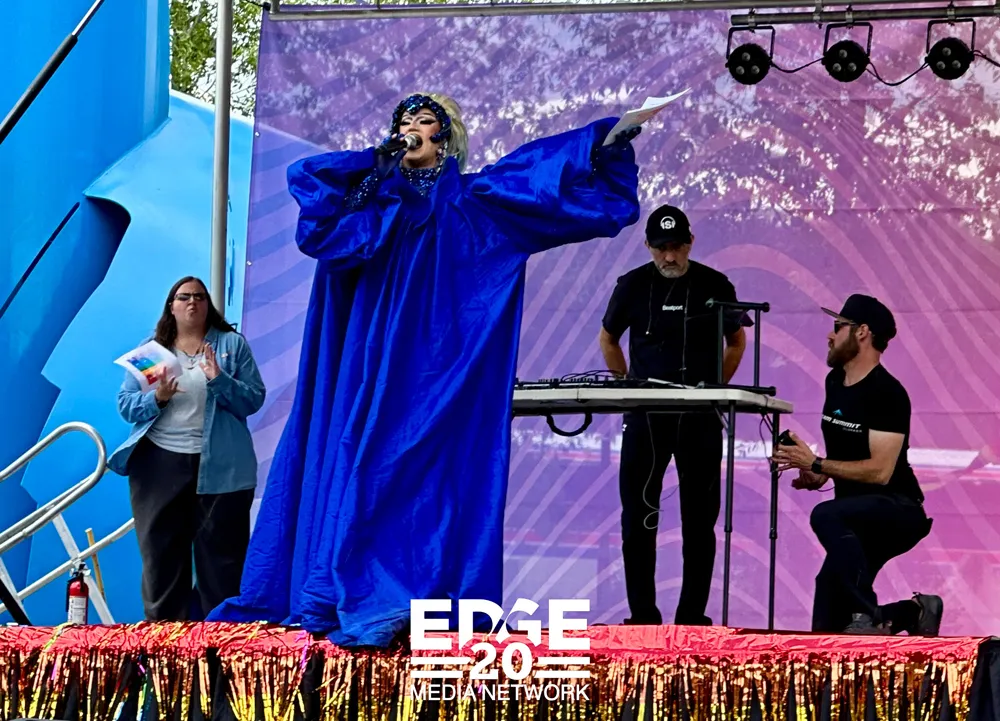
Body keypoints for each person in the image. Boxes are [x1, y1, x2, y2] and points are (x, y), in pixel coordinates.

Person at [207, 93, 642, 647]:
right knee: (364, 461)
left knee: (426, 474)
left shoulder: (475, 202)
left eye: (424, 121)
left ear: (446, 136)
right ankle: (359, 590)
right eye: (404, 122)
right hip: (371, 372)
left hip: (437, 370)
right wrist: (375, 162)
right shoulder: (372, 204)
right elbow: (318, 217)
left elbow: (540, 183)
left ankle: (416, 595)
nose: (412, 128)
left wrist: (602, 143)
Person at [599, 204, 749, 626]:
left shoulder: (715, 284)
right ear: (648, 246)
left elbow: (737, 341)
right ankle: (642, 615)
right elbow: (608, 338)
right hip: (646, 417)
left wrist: (716, 386)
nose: (670, 256)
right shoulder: (631, 285)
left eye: (678, 247)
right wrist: (627, 384)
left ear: (690, 243)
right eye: (662, 248)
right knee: (638, 516)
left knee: (699, 520)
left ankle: (691, 616)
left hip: (698, 419)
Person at [772, 294, 943, 635]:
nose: (829, 335)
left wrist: (817, 463)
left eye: (838, 326)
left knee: (825, 514)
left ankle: (869, 615)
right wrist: (814, 473)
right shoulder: (835, 381)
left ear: (862, 332)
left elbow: (880, 471)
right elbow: (844, 456)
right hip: (854, 515)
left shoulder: (887, 393)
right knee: (827, 625)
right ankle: (912, 613)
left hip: (898, 510)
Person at [108, 276, 266, 621]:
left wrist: (219, 379)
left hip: (223, 466)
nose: (192, 302)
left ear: (208, 305)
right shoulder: (154, 351)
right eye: (183, 297)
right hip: (159, 464)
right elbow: (126, 405)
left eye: (199, 296)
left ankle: (221, 642)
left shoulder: (231, 345)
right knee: (161, 557)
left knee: (222, 561)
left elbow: (254, 399)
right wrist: (158, 398)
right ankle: (164, 642)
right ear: (172, 306)